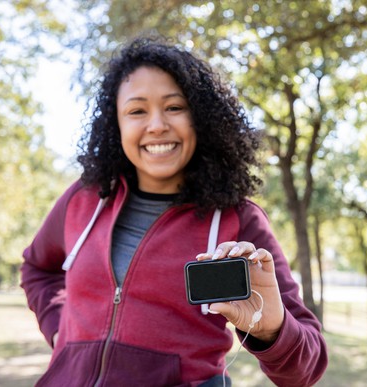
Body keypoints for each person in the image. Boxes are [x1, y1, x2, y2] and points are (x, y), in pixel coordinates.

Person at [21, 36, 327, 387]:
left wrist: (272, 327)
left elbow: (306, 370)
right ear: (115, 124)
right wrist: (62, 334)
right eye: (137, 111)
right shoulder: (84, 198)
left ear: (201, 119)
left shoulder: (238, 219)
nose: (156, 125)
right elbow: (37, 267)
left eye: (175, 107)